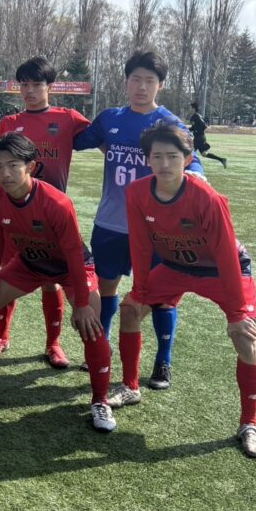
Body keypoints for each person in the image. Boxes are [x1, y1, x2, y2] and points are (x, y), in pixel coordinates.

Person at [108, 122, 256, 458]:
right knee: (131, 309)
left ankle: (249, 424)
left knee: (244, 335)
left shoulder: (207, 198)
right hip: (175, 266)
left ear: (188, 158)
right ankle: (131, 387)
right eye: (157, 156)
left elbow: (227, 255)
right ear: (147, 159)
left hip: (222, 270)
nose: (164, 163)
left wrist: (238, 313)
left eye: (172, 156)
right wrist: (141, 289)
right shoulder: (137, 192)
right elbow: (141, 244)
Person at [0, 133, 115, 431]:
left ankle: (100, 400)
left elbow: (74, 254)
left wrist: (83, 304)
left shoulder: (56, 202)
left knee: (91, 326)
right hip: (29, 263)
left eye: (13, 165)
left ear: (31, 166)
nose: (5, 173)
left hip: (70, 267)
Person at [73, 49, 204, 390]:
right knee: (106, 286)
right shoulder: (109, 118)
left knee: (160, 295)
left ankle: (163, 361)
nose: (142, 87)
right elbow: (76, 138)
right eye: (136, 79)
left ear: (160, 85)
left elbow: (192, 161)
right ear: (126, 82)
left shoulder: (170, 124)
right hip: (111, 222)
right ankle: (100, 348)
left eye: (149, 81)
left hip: (156, 228)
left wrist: (199, 177)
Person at [0, 56, 92, 366]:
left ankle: (53, 344)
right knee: (6, 272)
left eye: (36, 84)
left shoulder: (68, 118)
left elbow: (106, 141)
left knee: (52, 281)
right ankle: (1, 336)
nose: (29, 90)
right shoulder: (9, 122)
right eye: (24, 85)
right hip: (16, 212)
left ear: (50, 86)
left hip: (51, 215)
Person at [188, 102, 227, 168]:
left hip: (199, 138)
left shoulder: (194, 116)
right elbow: (195, 127)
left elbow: (203, 126)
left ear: (193, 109)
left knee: (190, 152)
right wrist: (189, 129)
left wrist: (196, 130)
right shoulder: (197, 116)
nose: (189, 109)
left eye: (190, 108)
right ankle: (222, 159)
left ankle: (188, 167)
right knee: (204, 154)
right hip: (201, 137)